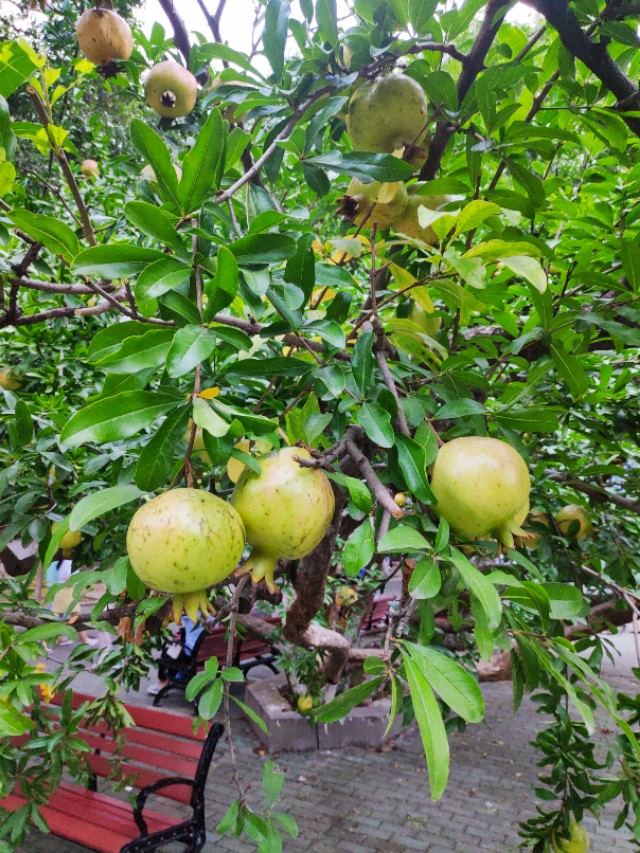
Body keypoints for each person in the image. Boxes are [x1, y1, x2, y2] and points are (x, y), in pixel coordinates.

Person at [45, 550, 97, 646]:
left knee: (55, 618)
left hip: (58, 591)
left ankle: (47, 643)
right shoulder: (69, 563)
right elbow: (69, 580)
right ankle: (85, 640)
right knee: (76, 617)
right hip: (67, 592)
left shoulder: (55, 563)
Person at [147, 615, 207, 695]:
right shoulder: (215, 616)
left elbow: (173, 615)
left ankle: (163, 683)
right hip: (210, 654)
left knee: (169, 653)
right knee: (177, 649)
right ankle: (178, 676)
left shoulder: (192, 613)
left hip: (192, 656)